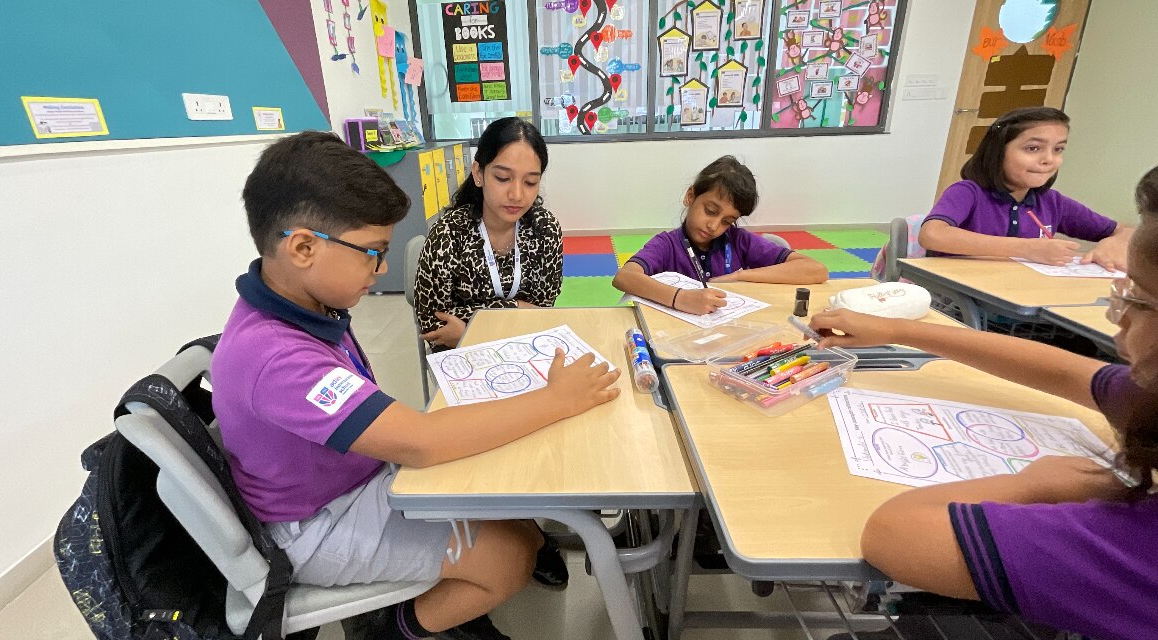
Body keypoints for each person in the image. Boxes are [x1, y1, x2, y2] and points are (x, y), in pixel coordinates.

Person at [212, 131, 621, 640]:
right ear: (302, 248)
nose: (382, 269)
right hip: (318, 524)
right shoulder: (277, 357)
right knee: (513, 555)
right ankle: (396, 630)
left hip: (356, 478)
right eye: (372, 253)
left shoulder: (309, 306)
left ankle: (446, 595)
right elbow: (422, 442)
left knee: (515, 519)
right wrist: (558, 398)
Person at [810, 165, 1158, 640]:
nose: (1117, 330)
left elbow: (892, 533)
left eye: (1134, 297)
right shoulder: (1148, 393)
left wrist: (1035, 482)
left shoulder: (1135, 546)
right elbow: (1070, 372)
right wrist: (895, 329)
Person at [920, 107, 1132, 270]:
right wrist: (1026, 248)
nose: (1049, 159)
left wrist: (1111, 245)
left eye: (1058, 149)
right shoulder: (968, 192)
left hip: (1020, 303)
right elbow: (932, 235)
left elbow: (1128, 232)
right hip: (961, 303)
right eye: (1033, 148)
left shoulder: (1053, 202)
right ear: (998, 152)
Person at [414, 117, 562, 350]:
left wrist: (470, 325)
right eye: (503, 178)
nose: (517, 194)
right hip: (460, 352)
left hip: (522, 343)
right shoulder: (449, 234)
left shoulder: (545, 230)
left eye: (530, 182)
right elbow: (433, 324)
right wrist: (517, 307)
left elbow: (542, 312)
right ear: (478, 173)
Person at [612, 155, 827, 315]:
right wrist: (681, 298)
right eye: (711, 211)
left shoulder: (738, 241)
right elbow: (624, 277)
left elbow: (816, 270)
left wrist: (739, 277)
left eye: (727, 221)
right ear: (690, 196)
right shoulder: (667, 245)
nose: (714, 226)